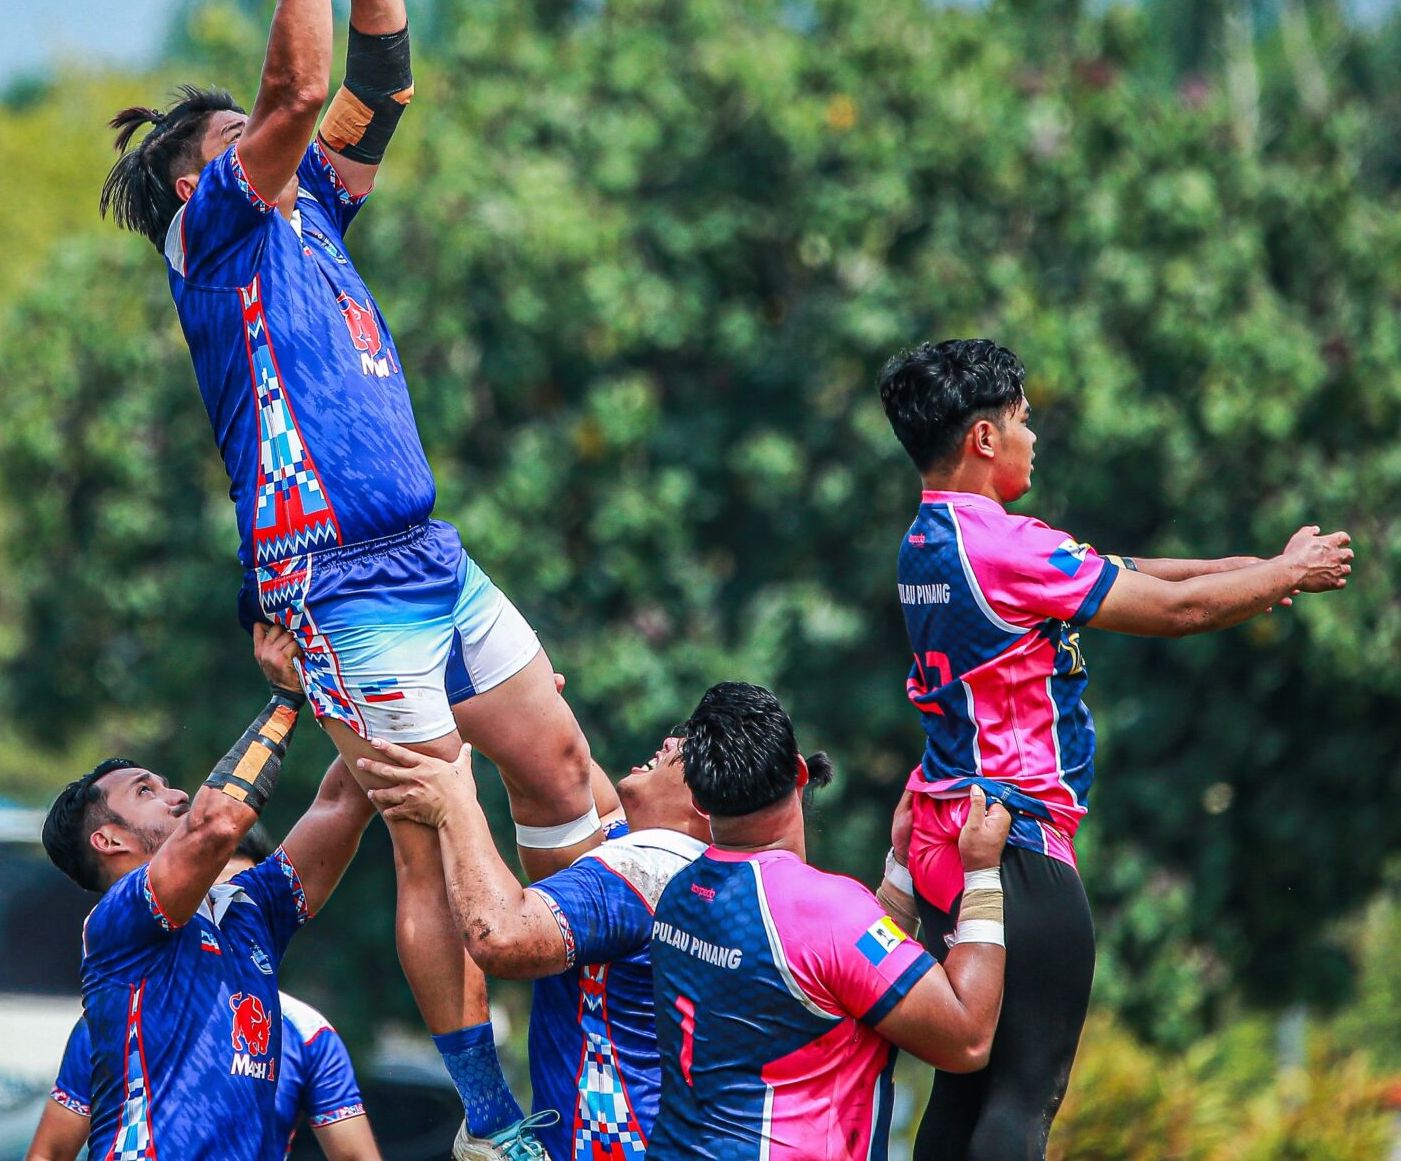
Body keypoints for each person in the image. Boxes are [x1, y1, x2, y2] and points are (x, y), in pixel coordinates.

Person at [97, 0, 597, 1157]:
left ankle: (584, 1054)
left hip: (429, 553)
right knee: (430, 834)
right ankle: (491, 1120)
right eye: (241, 140)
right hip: (333, 579)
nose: (276, 142)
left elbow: (379, 83)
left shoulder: (311, 206)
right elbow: (299, 88)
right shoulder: (212, 233)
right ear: (202, 176)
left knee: (562, 768)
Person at [877, 338, 1354, 1159]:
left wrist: (1260, 569)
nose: (1034, 438)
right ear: (985, 438)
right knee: (1024, 1095)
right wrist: (1287, 576)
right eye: (1024, 421)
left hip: (948, 837)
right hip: (1015, 840)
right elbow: (1175, 613)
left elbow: (1122, 570)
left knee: (966, 1092)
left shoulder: (928, 540)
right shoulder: (1004, 547)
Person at [39, 627, 376, 1161]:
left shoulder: (248, 910)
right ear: (109, 840)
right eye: (146, 791)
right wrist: (285, 700)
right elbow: (215, 825)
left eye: (164, 783)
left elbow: (343, 802)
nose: (177, 795)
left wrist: (390, 687)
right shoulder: (118, 919)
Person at [644, 683, 1011, 1158]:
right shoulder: (822, 910)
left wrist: (902, 866)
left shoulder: (678, 894)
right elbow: (967, 1039)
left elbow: (844, 978)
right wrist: (981, 872)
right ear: (800, 772)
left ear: (699, 799)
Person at [357, 724, 709, 1159]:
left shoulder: (640, 878)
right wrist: (507, 708)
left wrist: (456, 808)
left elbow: (500, 936)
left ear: (707, 801)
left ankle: (491, 1117)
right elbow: (545, 752)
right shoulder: (673, 858)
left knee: (425, 850)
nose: (671, 741)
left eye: (690, 747)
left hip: (626, 1150)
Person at [28, 824, 380, 1161]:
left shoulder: (308, 1033)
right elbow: (50, 1152)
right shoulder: (115, 1023)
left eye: (237, 902)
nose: (221, 915)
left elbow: (354, 1154)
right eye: (208, 896)